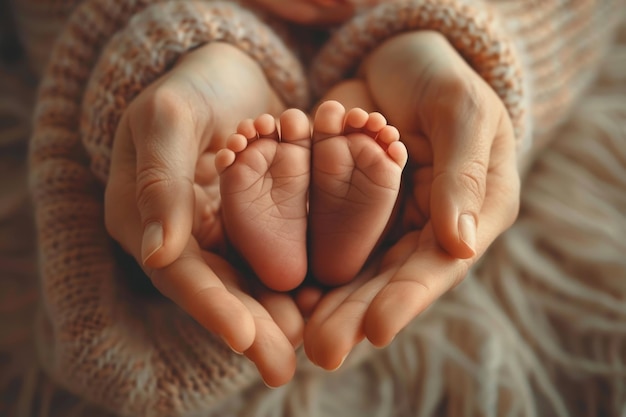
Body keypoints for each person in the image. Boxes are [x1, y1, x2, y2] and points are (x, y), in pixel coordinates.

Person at [22, 0, 622, 415]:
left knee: (368, 123)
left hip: (387, 66)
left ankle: (304, 215)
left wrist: (456, 40)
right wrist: (184, 37)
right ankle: (268, 212)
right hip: (234, 64)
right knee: (363, 127)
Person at [215, 100, 407, 291]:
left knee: (282, 127)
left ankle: (251, 252)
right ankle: (347, 256)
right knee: (357, 101)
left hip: (279, 94)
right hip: (352, 81)